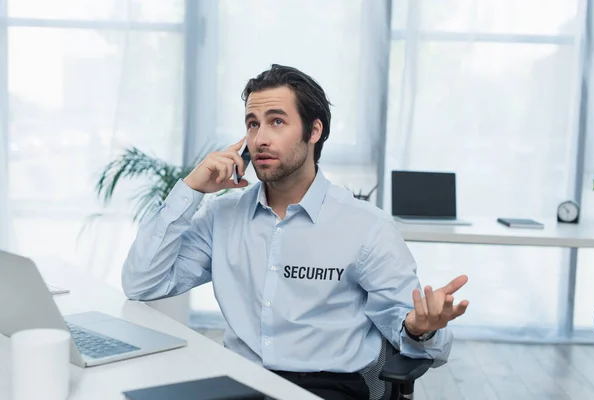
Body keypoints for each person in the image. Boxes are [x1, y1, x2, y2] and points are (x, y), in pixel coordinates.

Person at [122, 64, 469, 400]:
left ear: (313, 131)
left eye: (277, 122)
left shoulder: (367, 227)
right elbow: (143, 283)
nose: (260, 138)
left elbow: (411, 330)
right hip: (237, 380)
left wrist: (420, 327)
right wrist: (190, 188)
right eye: (252, 124)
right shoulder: (222, 216)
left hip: (325, 387)